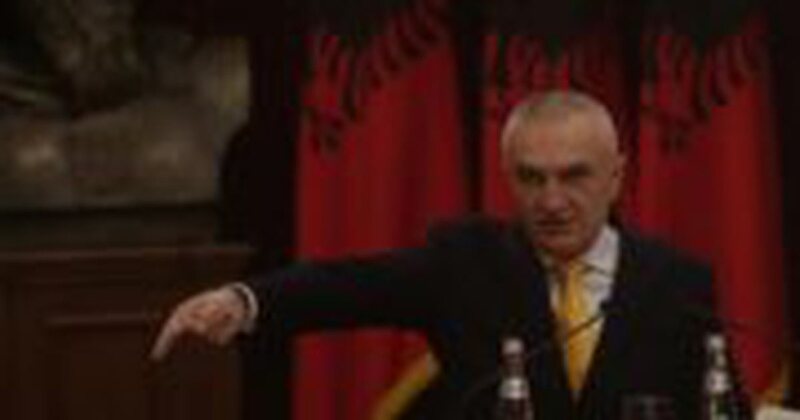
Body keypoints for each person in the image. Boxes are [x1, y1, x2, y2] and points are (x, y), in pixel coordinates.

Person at [151, 90, 736, 419]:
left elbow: (722, 406)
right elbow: (347, 286)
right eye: (531, 178)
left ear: (617, 177)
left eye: (573, 176)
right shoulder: (466, 263)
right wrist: (243, 300)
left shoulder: (676, 282)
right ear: (507, 177)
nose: (552, 201)